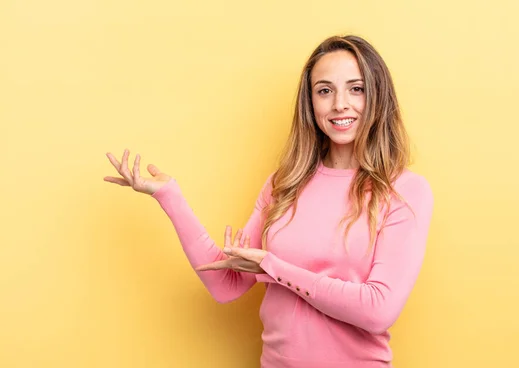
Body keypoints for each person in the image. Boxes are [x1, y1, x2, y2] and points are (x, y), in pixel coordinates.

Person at [104, 35, 434, 368]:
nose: (339, 104)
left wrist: (273, 267)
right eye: (324, 90)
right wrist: (169, 196)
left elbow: (378, 310)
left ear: (378, 96)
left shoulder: (405, 191)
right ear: (310, 103)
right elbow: (226, 284)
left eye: (356, 89)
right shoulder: (284, 183)